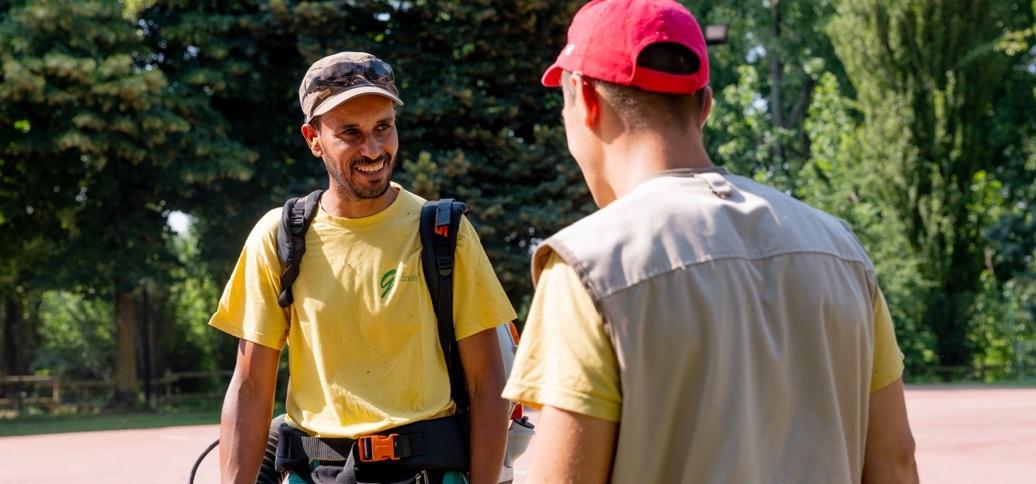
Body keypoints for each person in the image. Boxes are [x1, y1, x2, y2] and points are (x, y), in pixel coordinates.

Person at [502, 1, 919, 483]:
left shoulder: (587, 266)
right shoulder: (841, 250)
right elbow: (895, 462)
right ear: (705, 106)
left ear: (585, 99)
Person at [210, 51, 516, 484]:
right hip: (316, 472)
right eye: (350, 132)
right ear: (313, 139)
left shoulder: (444, 232)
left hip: (427, 472)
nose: (372, 149)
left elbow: (487, 384)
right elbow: (250, 387)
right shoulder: (279, 238)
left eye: (383, 127)